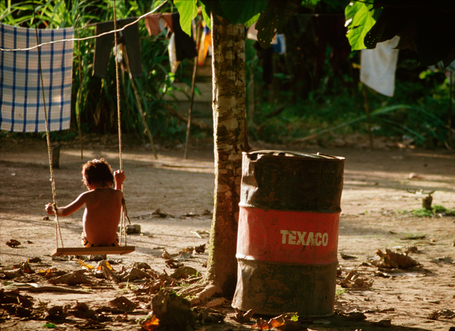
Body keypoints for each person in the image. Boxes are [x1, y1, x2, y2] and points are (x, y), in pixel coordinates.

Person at [45, 158, 125, 247]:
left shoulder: (87, 195)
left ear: (89, 182)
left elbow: (65, 212)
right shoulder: (118, 194)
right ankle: (103, 255)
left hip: (91, 244)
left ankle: (99, 254)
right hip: (112, 243)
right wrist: (119, 182)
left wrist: (53, 210)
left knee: (85, 233)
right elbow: (117, 197)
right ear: (110, 180)